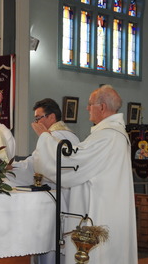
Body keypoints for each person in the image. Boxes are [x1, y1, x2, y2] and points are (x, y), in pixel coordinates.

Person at [33, 85, 137, 263]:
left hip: (101, 210)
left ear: (102, 107)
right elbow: (77, 157)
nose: (87, 108)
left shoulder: (108, 136)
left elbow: (74, 164)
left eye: (90, 104)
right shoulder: (110, 134)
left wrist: (45, 138)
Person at [9, 98, 79, 187]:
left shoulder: (52, 136)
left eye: (38, 118)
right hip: (71, 189)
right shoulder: (71, 135)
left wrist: (11, 168)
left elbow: (33, 164)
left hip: (55, 190)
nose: (36, 122)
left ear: (52, 117)